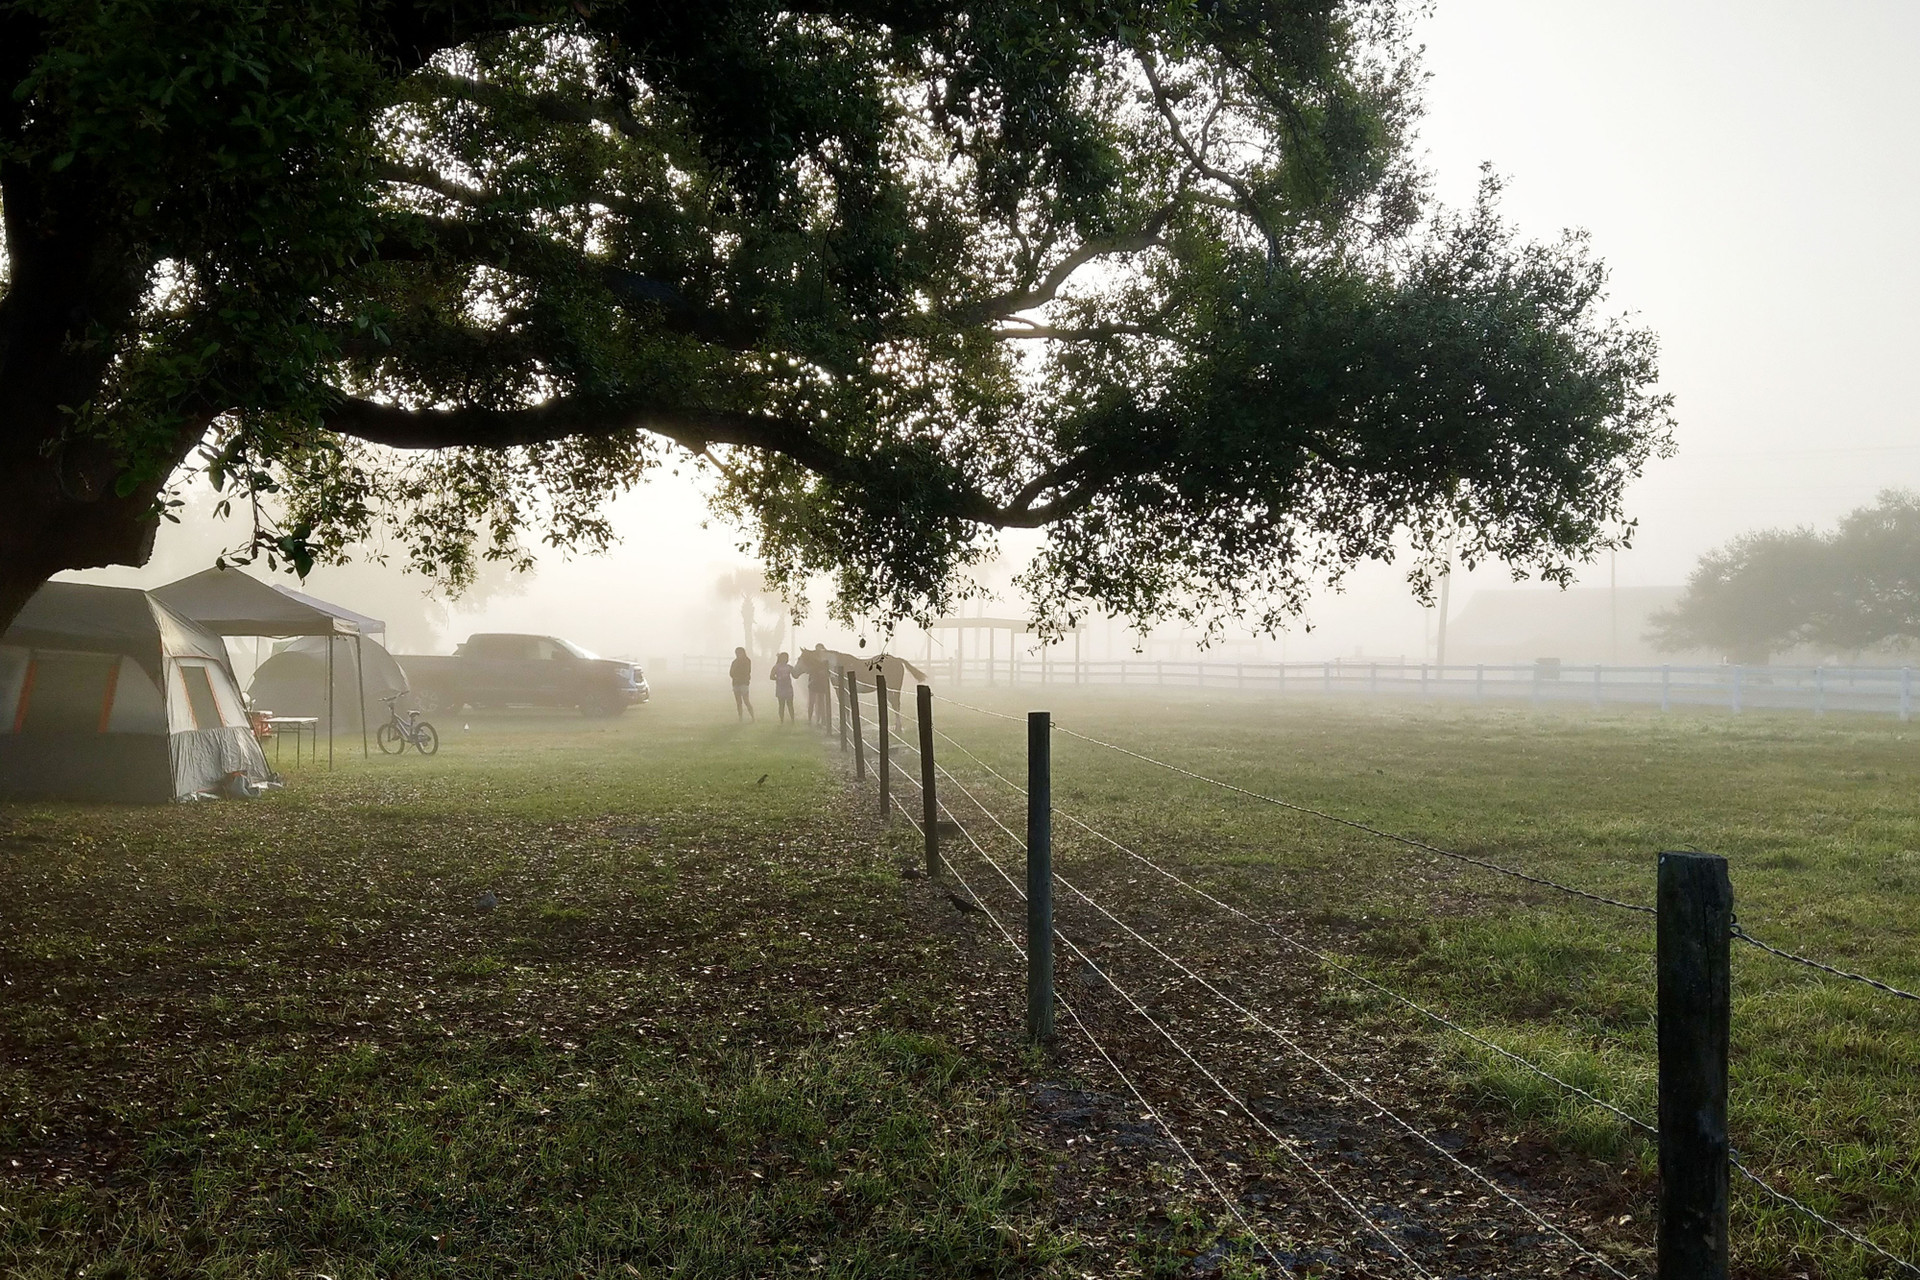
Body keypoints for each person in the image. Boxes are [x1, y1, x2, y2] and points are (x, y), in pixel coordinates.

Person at [770, 650, 797, 723]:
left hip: (788, 687)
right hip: (780, 688)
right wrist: (778, 678)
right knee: (781, 705)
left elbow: (795, 675)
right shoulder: (776, 667)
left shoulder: (789, 667)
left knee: (790, 704)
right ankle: (782, 720)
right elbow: (771, 676)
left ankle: (792, 719)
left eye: (786, 658)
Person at [728, 647, 754, 721]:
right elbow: (731, 673)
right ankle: (740, 717)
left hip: (744, 683)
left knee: (746, 701)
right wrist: (735, 677)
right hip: (736, 683)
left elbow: (747, 671)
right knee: (738, 702)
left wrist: (739, 676)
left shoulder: (747, 661)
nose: (738, 654)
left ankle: (752, 717)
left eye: (739, 653)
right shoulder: (734, 662)